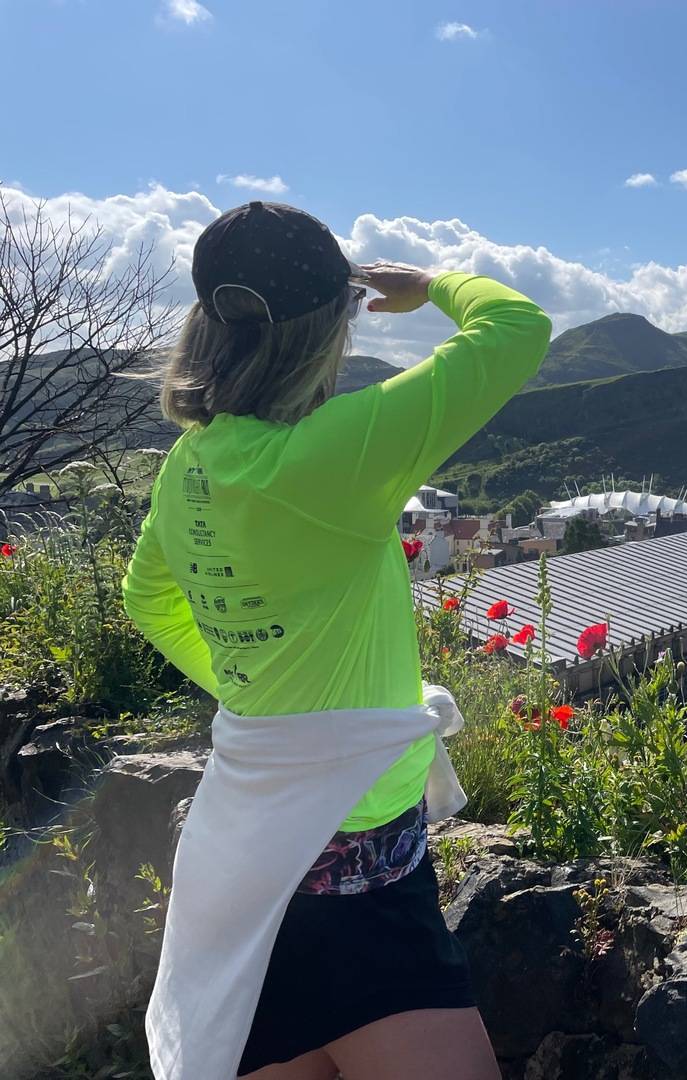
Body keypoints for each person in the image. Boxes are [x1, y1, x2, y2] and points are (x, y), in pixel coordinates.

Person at [121, 201, 551, 1079]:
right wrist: (429, 286)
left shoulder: (192, 463)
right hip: (358, 868)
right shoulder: (336, 454)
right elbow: (517, 326)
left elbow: (148, 599)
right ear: (330, 330)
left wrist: (263, 693)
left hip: (248, 856)